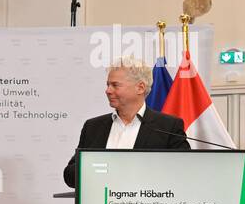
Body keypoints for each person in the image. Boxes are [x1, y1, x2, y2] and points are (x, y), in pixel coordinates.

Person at [63, 59, 190, 187]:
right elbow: (69, 175)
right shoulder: (93, 127)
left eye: (115, 85)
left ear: (140, 88)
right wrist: (97, 167)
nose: (108, 90)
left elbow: (183, 172)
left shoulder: (168, 127)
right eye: (108, 85)